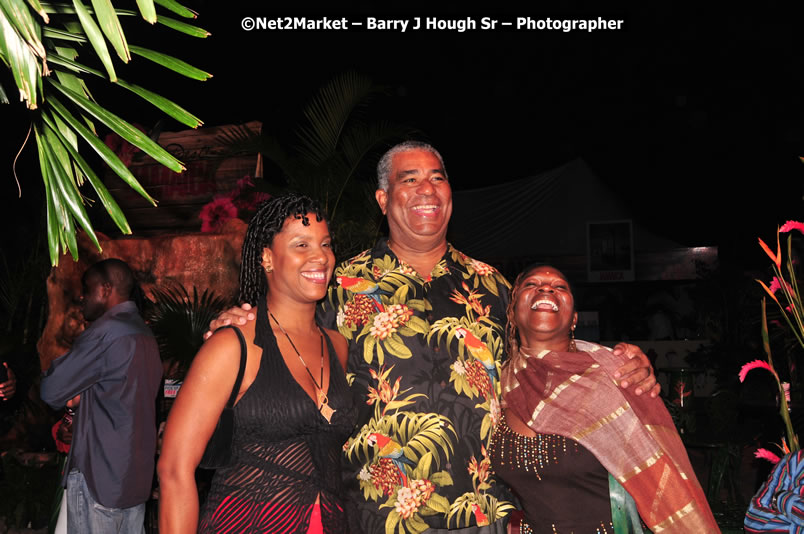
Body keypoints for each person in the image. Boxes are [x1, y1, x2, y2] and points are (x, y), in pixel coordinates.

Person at [210, 141, 659, 533]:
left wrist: (615, 365)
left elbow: (544, 358)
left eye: (437, 178)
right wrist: (242, 323)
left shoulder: (493, 286)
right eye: (410, 179)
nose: (427, 189)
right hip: (378, 513)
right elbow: (286, 341)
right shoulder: (340, 287)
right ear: (383, 199)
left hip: (484, 512)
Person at [158, 193, 356, 533]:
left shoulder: (337, 346)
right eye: (302, 245)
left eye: (325, 244)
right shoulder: (232, 345)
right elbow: (174, 469)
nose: (320, 256)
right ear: (267, 258)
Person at [490, 264, 718, 533]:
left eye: (560, 287)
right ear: (512, 314)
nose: (547, 288)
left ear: (574, 320)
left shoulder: (617, 373)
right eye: (531, 284)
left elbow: (663, 476)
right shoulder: (497, 385)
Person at [40, 258, 163, 534]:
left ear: (106, 289)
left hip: (100, 479)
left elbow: (51, 389)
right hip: (135, 479)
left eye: (87, 288)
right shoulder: (145, 334)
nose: (82, 297)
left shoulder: (106, 332)